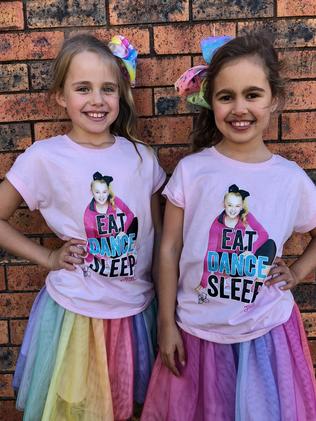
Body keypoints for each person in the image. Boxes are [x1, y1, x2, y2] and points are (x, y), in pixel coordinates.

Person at [141, 33, 316, 421]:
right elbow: (168, 250)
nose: (240, 108)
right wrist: (166, 324)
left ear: (275, 99)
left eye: (252, 94)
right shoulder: (192, 171)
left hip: (266, 336)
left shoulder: (290, 179)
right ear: (211, 103)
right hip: (196, 332)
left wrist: (299, 271)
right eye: (226, 96)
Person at [0, 33, 166, 420]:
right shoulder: (45, 158)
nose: (97, 100)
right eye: (83, 88)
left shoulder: (141, 157)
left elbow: (158, 238)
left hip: (135, 314)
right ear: (61, 96)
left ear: (122, 93)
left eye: (108, 88)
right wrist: (48, 256)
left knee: (128, 409)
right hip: (75, 316)